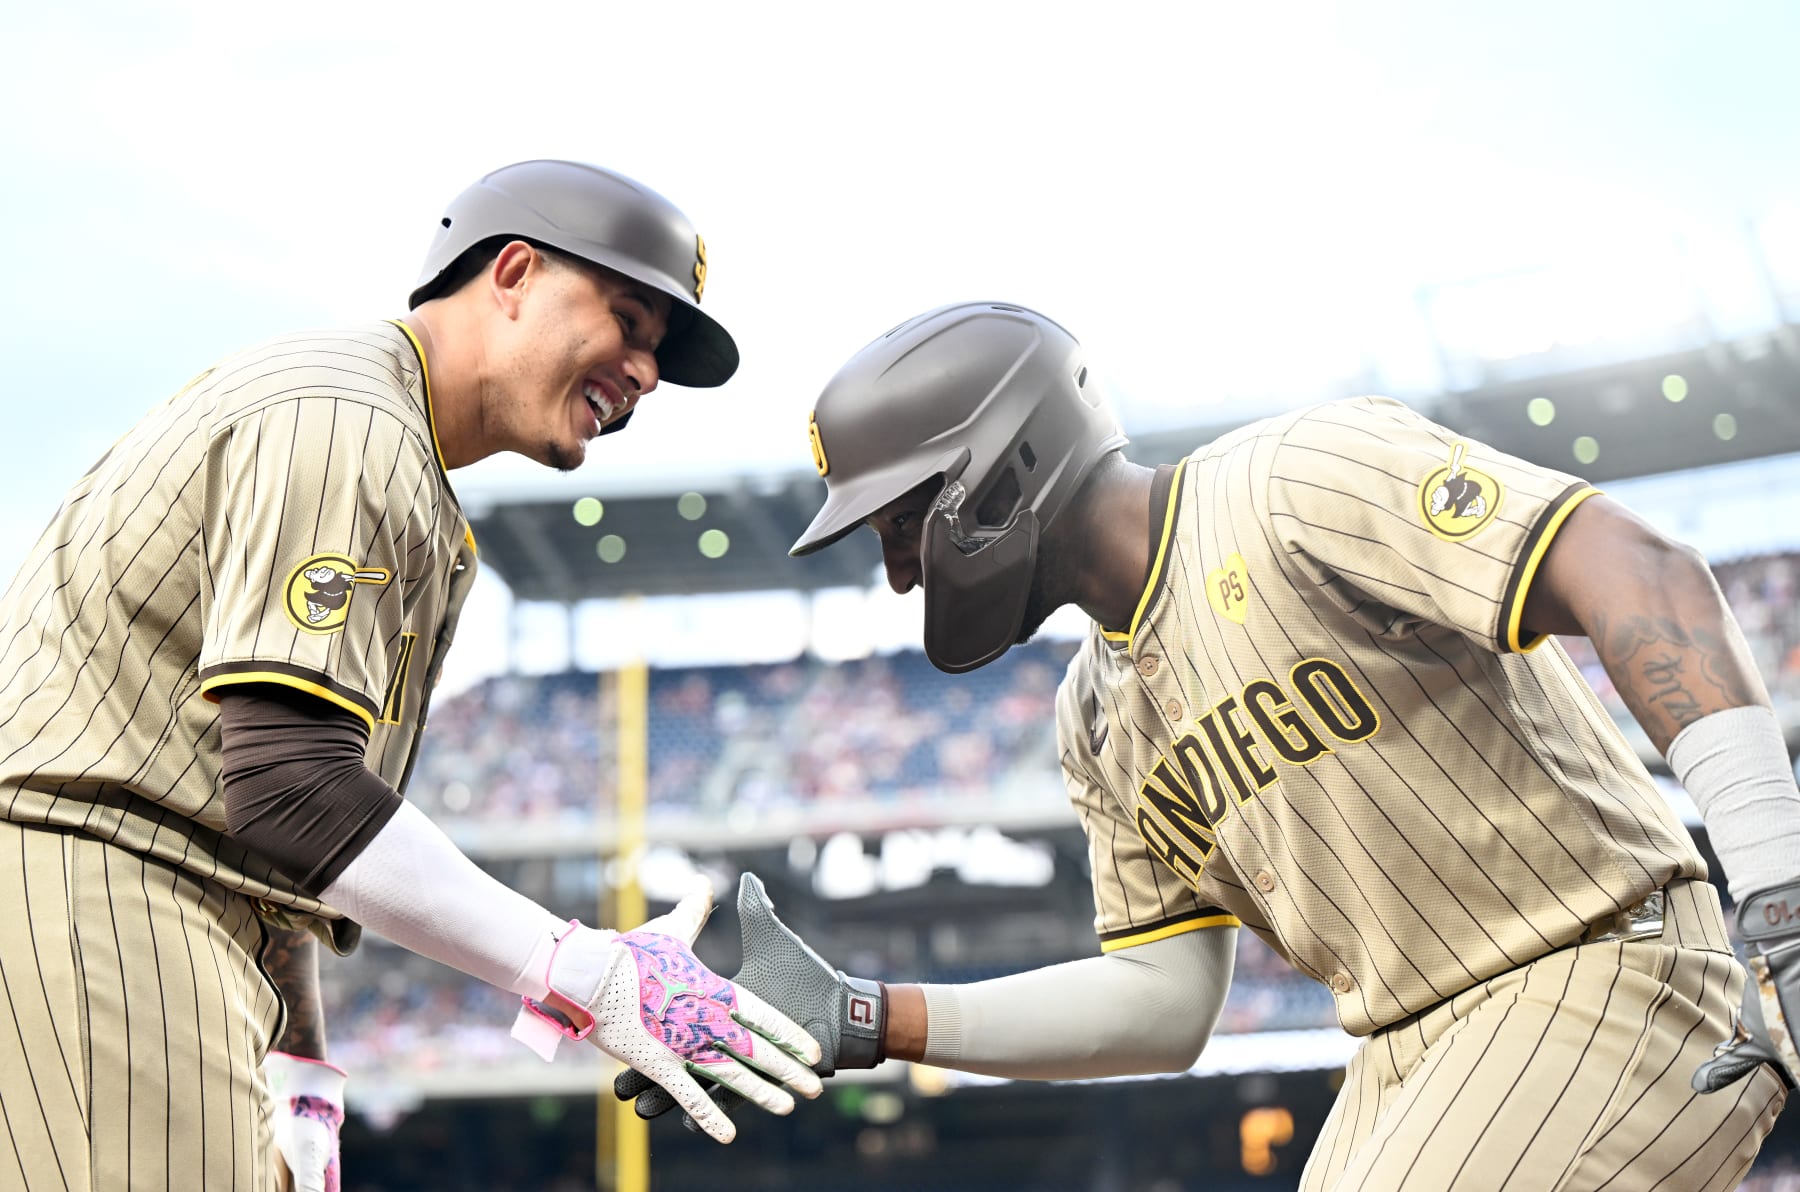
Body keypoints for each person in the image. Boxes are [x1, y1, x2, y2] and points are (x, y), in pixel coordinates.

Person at [622, 301, 1798, 1189]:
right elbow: (1162, 1002)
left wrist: (1782, 890)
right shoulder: (1095, 716)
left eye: (899, 524)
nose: (899, 572)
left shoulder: (1290, 480)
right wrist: (872, 1016)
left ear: (993, 473)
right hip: (1401, 1050)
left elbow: (1642, 571)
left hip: (1608, 967)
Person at [0, 159, 823, 1192]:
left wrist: (301, 1064)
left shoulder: (385, 440)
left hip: (142, 899)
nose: (647, 372)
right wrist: (580, 966)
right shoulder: (346, 420)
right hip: (95, 895)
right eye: (629, 318)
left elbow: (268, 835)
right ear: (514, 271)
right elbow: (290, 788)